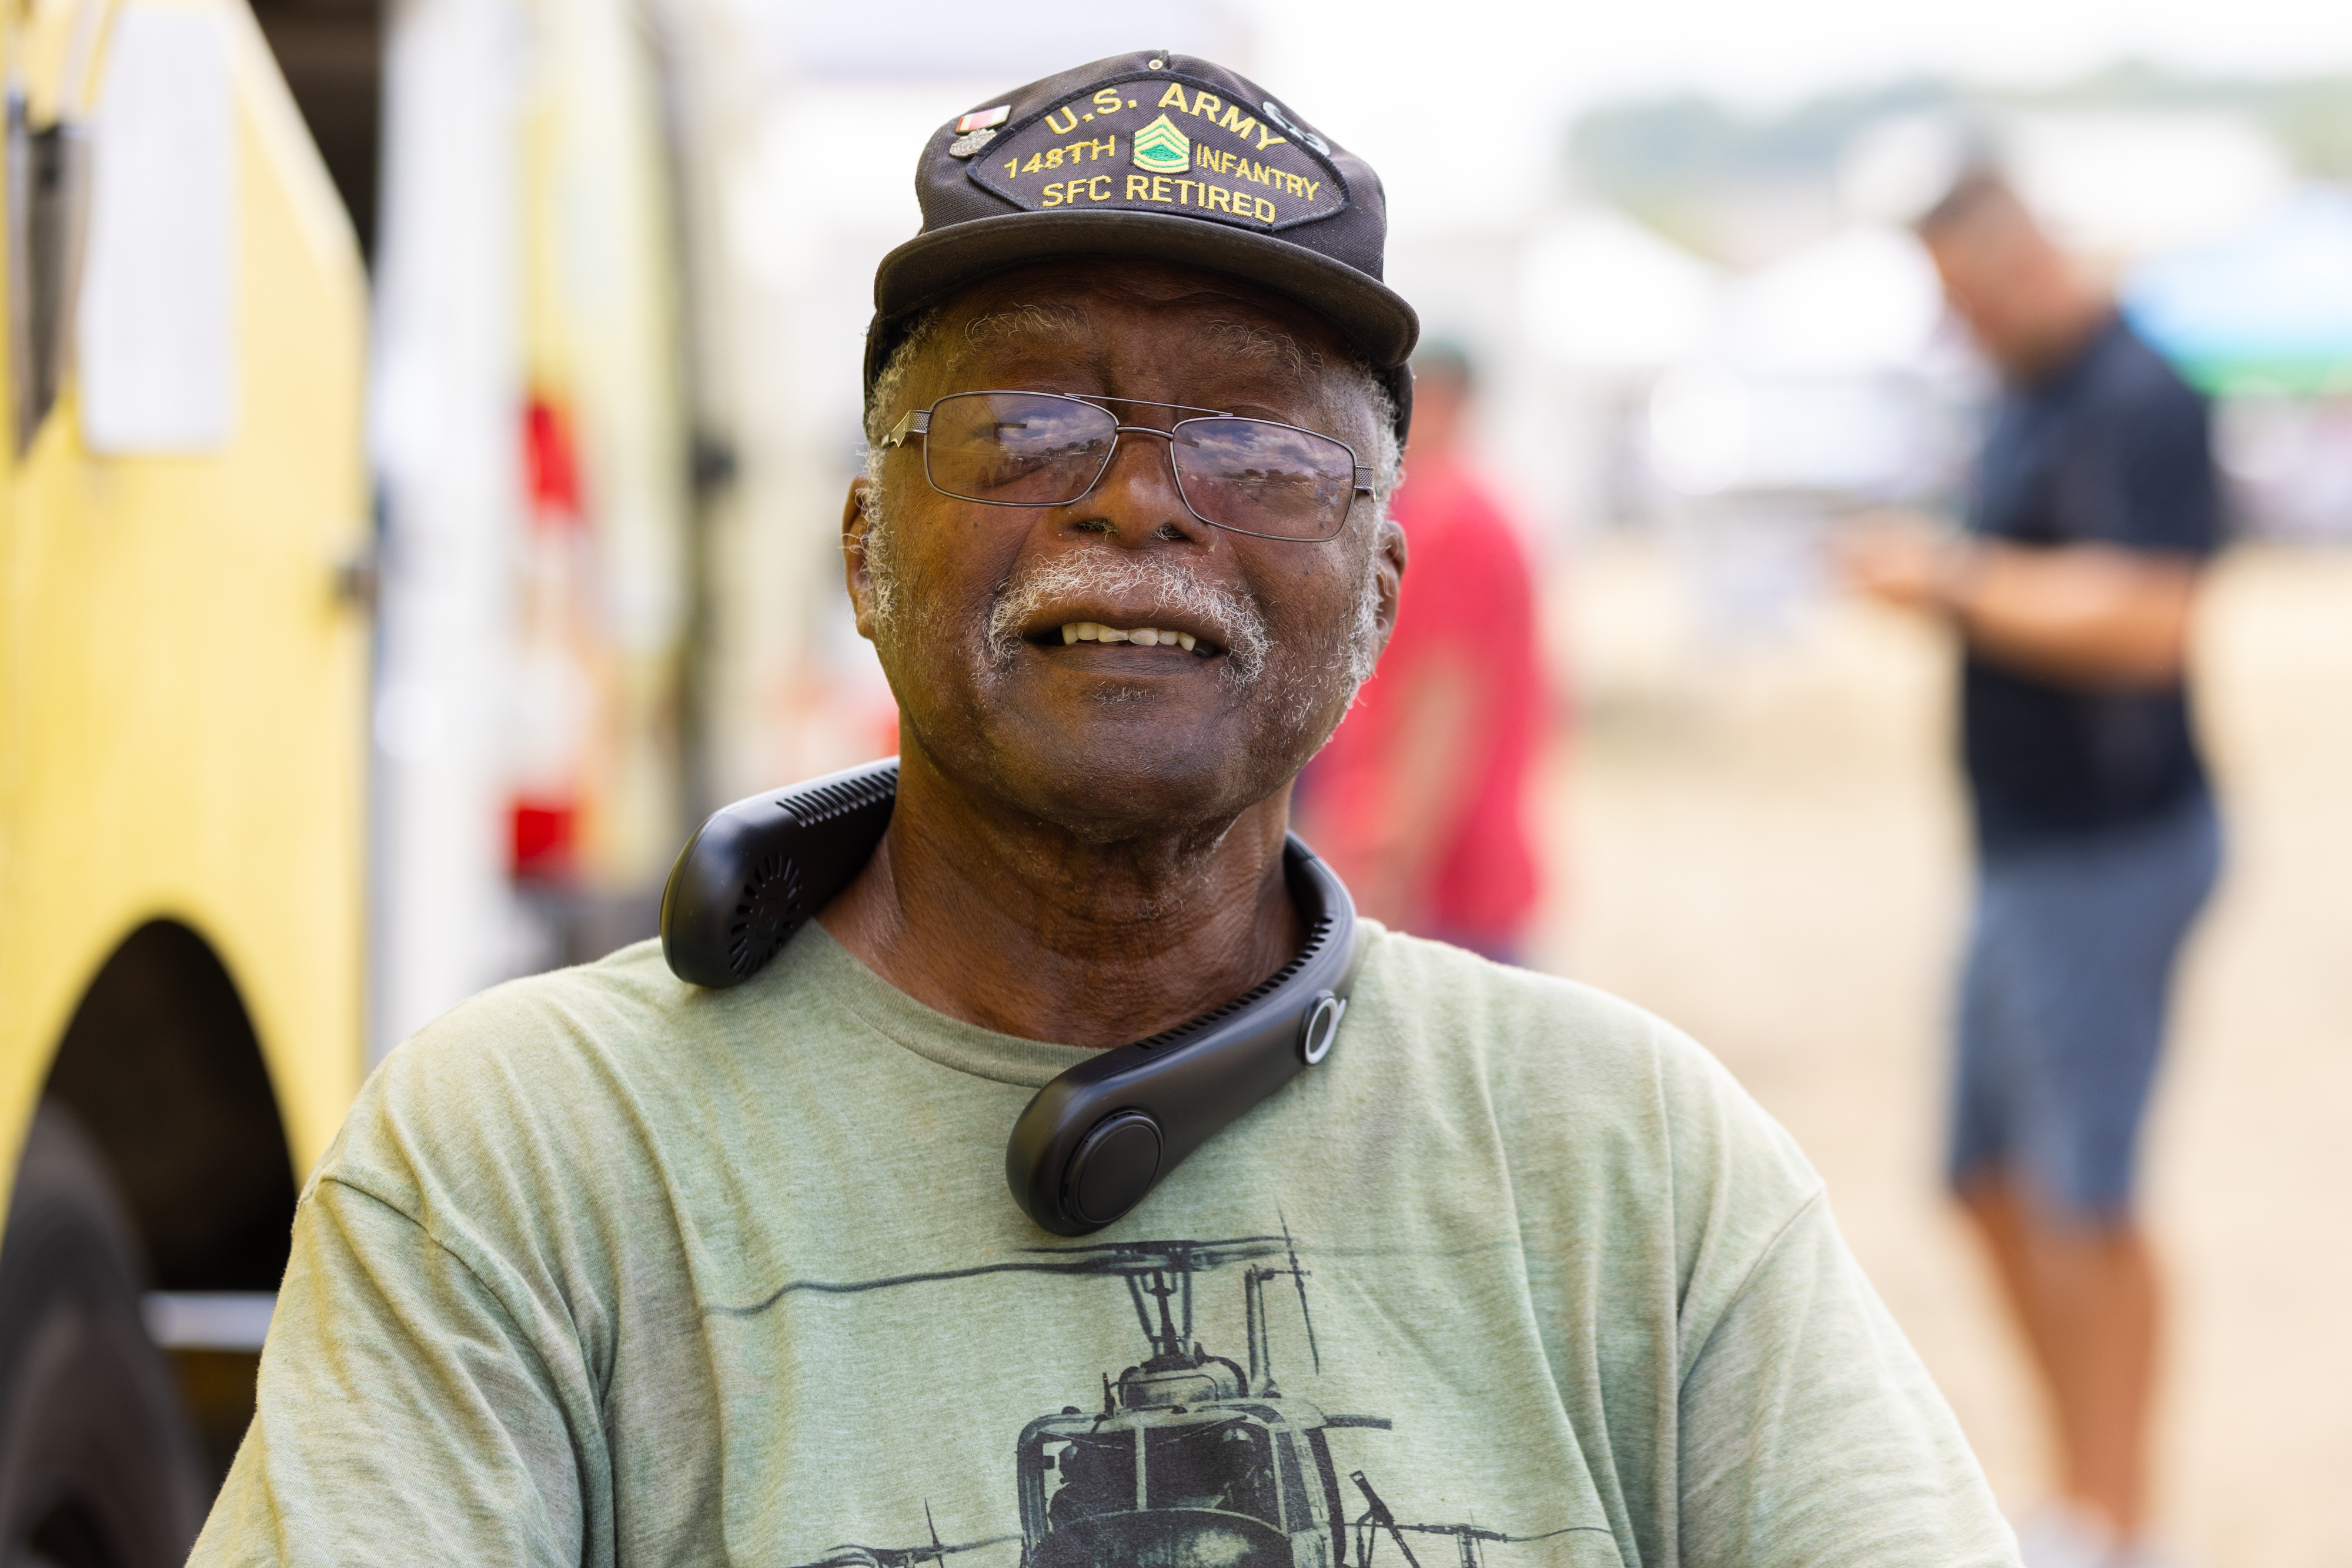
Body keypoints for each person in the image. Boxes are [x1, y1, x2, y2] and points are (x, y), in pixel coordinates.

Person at [193, 52, 2017, 1567]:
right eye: (1025, 426)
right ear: (860, 548)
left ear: (1377, 594)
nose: (1140, 501)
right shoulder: (519, 1157)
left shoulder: (1634, 1167)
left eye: (1254, 444)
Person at [1843, 170, 2223, 1568]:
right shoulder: (2025, 395)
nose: (1955, 327)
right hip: (2020, 848)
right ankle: (2083, 1493)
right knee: (1984, 1178)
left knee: (2085, 1195)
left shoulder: (2139, 393)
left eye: (1958, 297)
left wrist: (1944, 581)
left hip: (2111, 845)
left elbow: (2145, 621)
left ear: (2009, 263)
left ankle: (2117, 1523)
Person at [1293, 343, 1544, 961]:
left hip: (1442, 883)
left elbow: (1444, 698)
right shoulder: (1469, 506)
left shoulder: (1450, 518)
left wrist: (1394, 858)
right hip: (1455, 865)